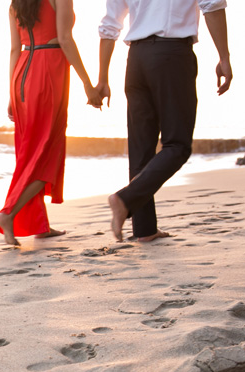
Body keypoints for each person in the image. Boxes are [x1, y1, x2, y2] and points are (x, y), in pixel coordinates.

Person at [93, 0, 232, 242]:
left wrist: (103, 78)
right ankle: (125, 199)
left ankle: (144, 230)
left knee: (141, 149)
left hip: (135, 60)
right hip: (171, 56)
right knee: (177, 145)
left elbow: (109, 26)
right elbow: (212, 5)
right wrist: (224, 57)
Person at [0, 0, 101, 246]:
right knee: (47, 153)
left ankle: (38, 224)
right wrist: (88, 83)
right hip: (48, 71)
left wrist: (12, 93)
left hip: (22, 74)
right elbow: (65, 39)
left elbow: (14, 49)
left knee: (30, 153)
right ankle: (9, 213)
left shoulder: (16, 3)